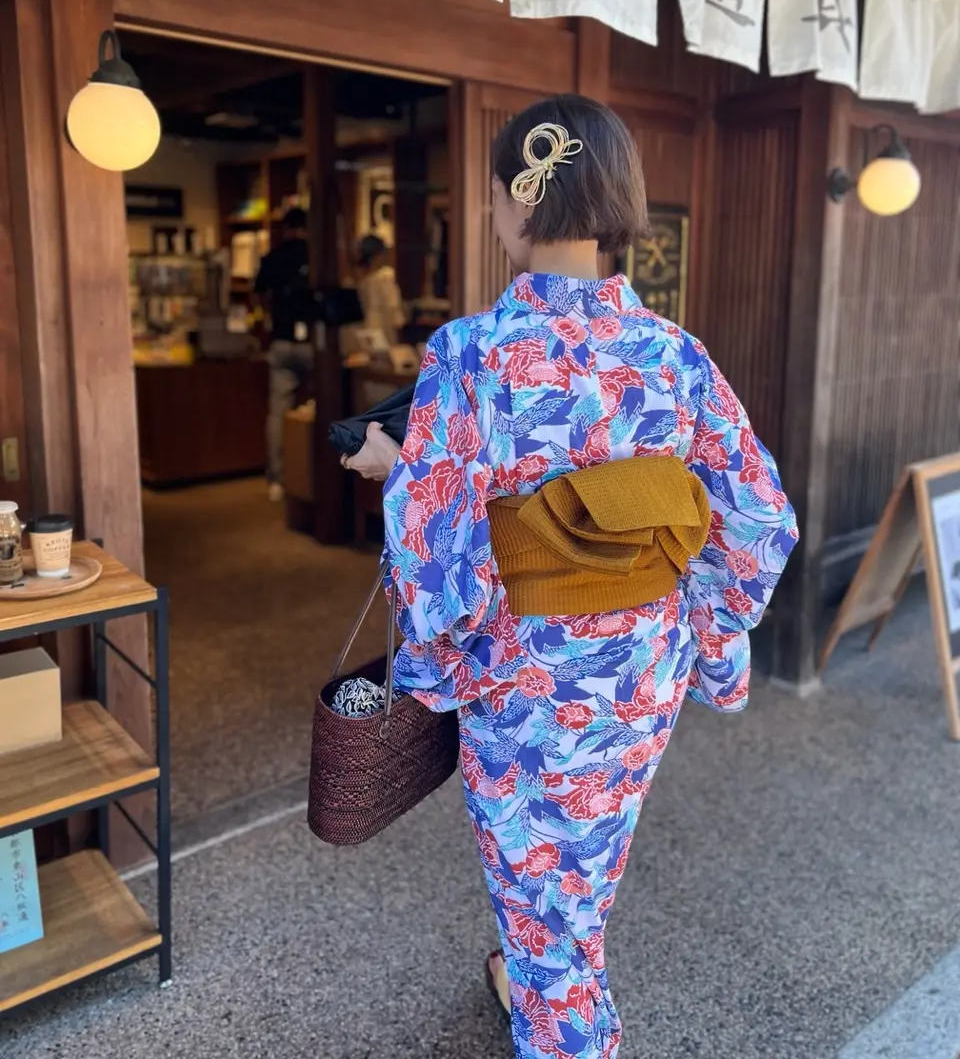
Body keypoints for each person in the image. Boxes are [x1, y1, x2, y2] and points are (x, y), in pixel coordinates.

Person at [343, 96, 798, 1059]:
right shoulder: (674, 354)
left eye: (493, 194)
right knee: (579, 871)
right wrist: (709, 636)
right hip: (641, 671)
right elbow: (759, 520)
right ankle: (531, 974)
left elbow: (437, 550)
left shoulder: (470, 352)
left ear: (518, 196)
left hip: (529, 676)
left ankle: (567, 1028)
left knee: (546, 894)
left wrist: (398, 474)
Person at [254, 207, 315, 502]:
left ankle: (277, 478)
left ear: (285, 228)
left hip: (280, 341)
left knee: (278, 412)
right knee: (321, 408)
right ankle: (315, 475)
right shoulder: (317, 256)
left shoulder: (272, 257)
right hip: (313, 344)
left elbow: (259, 295)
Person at [355, 233, 405, 346]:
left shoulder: (363, 281)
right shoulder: (384, 277)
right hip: (384, 332)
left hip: (367, 331)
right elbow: (393, 308)